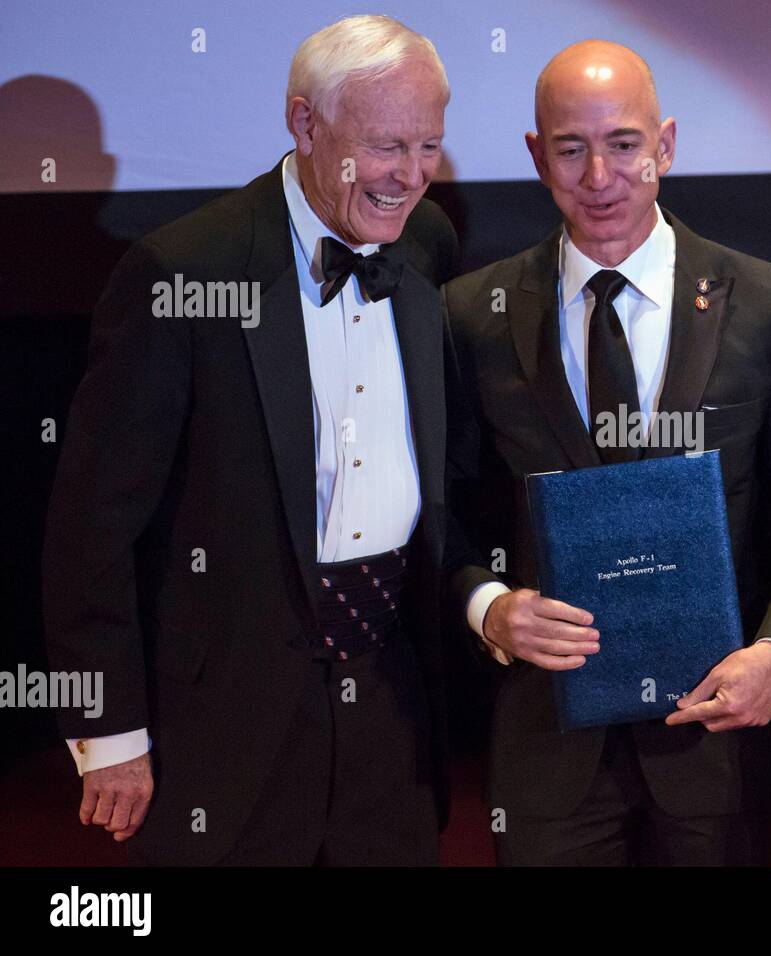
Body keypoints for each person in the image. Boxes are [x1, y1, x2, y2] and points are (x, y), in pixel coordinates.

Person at [42, 15, 465, 865]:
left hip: (393, 707)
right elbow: (91, 526)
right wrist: (108, 729)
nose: (411, 176)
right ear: (305, 123)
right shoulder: (183, 273)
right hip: (224, 723)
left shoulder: (427, 248)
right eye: (385, 145)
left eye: (428, 146)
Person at [441, 40, 771, 865]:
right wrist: (491, 608)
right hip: (546, 745)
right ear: (533, 155)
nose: (598, 177)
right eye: (570, 148)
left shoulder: (769, 304)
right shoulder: (470, 316)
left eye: (623, 144)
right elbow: (442, 519)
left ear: (665, 143)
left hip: (714, 743)